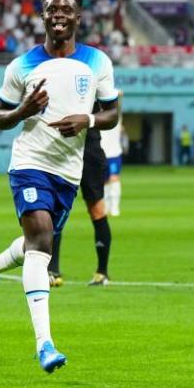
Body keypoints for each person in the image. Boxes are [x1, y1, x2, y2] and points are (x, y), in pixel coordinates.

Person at [0, 0, 119, 373]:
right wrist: (22, 111)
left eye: (66, 10)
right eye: (52, 10)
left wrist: (86, 119)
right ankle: (45, 345)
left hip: (69, 173)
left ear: (78, 17)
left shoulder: (98, 62)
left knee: (35, 244)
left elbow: (113, 113)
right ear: (43, 16)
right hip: (29, 163)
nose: (58, 16)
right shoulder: (21, 66)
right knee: (41, 244)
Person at [48, 96, 118, 288]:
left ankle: (102, 272)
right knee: (55, 208)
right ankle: (53, 271)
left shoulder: (94, 72)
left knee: (96, 210)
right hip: (61, 147)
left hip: (90, 147)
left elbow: (111, 110)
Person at [100, 90, 125, 216]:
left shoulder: (116, 117)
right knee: (104, 182)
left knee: (114, 179)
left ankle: (115, 207)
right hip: (101, 154)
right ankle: (106, 207)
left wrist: (118, 96)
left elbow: (119, 105)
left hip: (114, 153)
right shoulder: (98, 118)